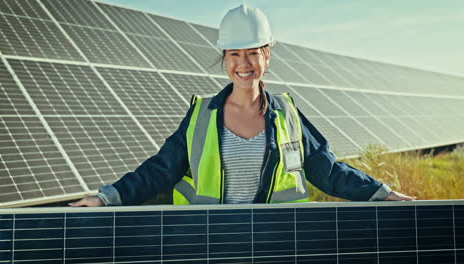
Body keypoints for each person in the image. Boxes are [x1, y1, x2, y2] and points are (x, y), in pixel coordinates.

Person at [70, 4, 415, 207]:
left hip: (277, 244)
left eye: (253, 53)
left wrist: (381, 194)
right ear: (224, 58)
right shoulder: (201, 116)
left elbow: (327, 170)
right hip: (210, 243)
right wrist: (107, 197)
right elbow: (160, 170)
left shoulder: (288, 115)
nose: (244, 63)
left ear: (267, 55)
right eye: (235, 53)